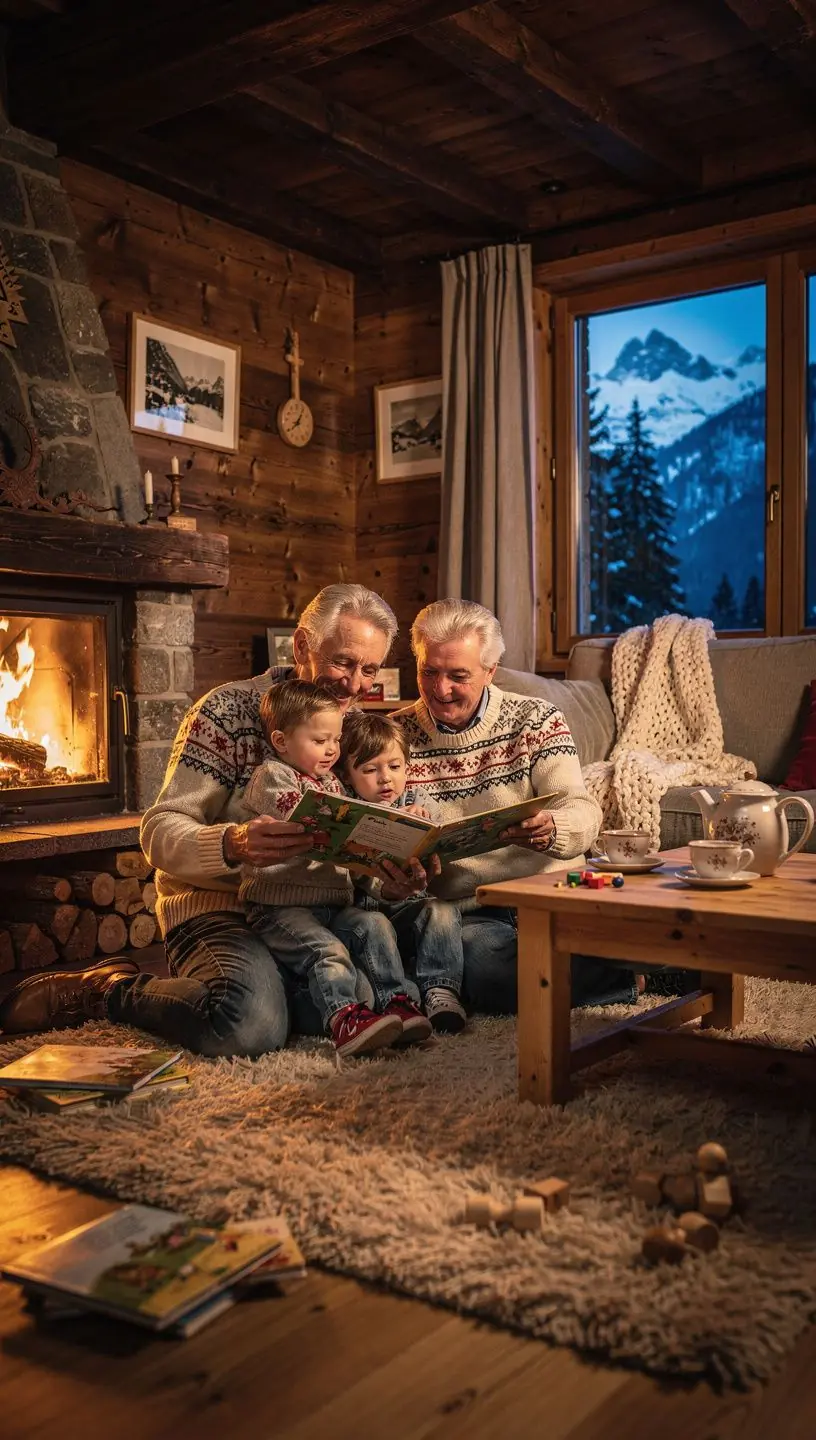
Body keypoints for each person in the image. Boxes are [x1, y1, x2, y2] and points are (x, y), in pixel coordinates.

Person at [0, 584, 432, 1054]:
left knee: (361, 1002)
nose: (355, 684)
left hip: (308, 912)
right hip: (217, 908)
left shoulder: (351, 731)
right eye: (343, 662)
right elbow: (159, 829)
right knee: (248, 1028)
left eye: (369, 669)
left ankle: (268, 990)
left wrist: (386, 877)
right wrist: (233, 844)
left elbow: (346, 843)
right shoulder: (226, 711)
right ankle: (106, 991)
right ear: (303, 646)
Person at [393, 598, 634, 1013]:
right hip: (471, 913)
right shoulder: (393, 737)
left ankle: (623, 964)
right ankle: (632, 975)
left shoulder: (536, 719)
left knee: (647, 926)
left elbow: (583, 809)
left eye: (458, 676)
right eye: (428, 671)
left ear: (491, 671)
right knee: (484, 975)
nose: (440, 689)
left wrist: (554, 828)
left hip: (556, 892)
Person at [239, 678, 430, 1055]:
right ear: (281, 741)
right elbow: (304, 812)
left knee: (374, 925)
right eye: (320, 741)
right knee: (328, 952)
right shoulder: (272, 777)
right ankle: (345, 1018)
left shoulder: (333, 784)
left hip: (334, 904)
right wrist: (365, 822)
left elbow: (354, 859)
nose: (332, 751)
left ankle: (397, 1003)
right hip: (281, 908)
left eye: (336, 741)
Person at [337, 708, 468, 1033]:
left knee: (441, 910)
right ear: (347, 775)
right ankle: (397, 1000)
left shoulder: (415, 797)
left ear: (407, 767)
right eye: (370, 769)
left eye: (395, 767)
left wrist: (422, 822)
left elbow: (439, 837)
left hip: (409, 906)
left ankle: (441, 991)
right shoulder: (348, 808)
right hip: (364, 914)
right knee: (374, 923)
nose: (386, 778)